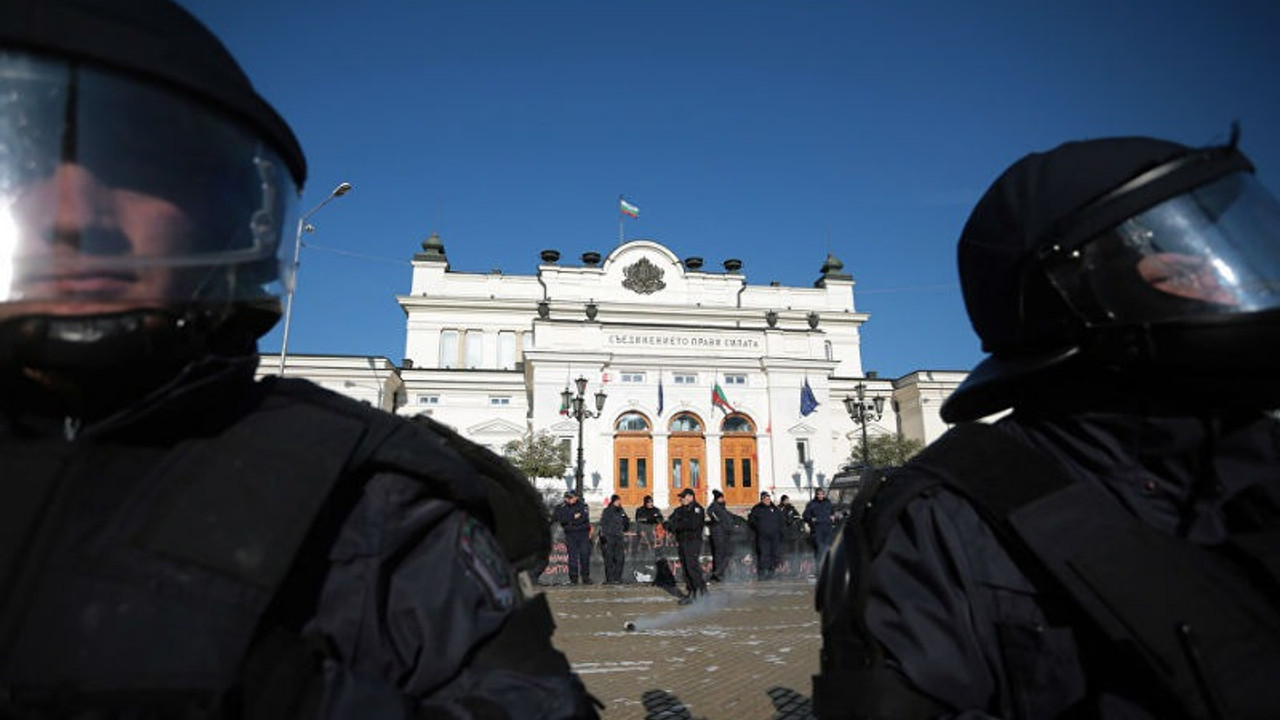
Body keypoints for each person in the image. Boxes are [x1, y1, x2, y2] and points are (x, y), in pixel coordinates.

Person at [0, 1, 600, 718]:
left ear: (225, 209)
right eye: (22, 157)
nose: (73, 213)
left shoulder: (363, 497)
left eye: (133, 162)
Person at [814, 132, 1280, 720]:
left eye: (1229, 257)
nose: (1227, 284)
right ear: (1077, 290)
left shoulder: (1258, 463)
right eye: (1182, 269)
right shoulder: (945, 519)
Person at [664, 488, 708, 604]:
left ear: (690, 497)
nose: (681, 499)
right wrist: (670, 525)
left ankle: (700, 591)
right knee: (685, 568)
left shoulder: (697, 509)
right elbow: (670, 521)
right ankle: (691, 592)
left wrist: (676, 525)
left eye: (683, 497)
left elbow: (692, 524)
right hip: (682, 541)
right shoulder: (680, 510)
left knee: (692, 566)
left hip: (693, 541)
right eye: (681, 497)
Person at [553, 491, 593, 584]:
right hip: (570, 534)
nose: (574, 499)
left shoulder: (583, 506)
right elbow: (559, 518)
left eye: (575, 498)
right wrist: (573, 517)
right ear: (567, 498)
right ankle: (573, 578)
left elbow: (583, 518)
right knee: (572, 557)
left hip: (583, 533)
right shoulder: (561, 507)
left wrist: (569, 520)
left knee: (585, 556)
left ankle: (585, 577)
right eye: (571, 498)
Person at [747, 491, 783, 580]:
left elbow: (781, 520)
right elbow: (751, 521)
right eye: (765, 499)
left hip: (775, 535)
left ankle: (772, 572)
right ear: (762, 500)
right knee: (764, 554)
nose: (767, 500)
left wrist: (780, 531)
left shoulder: (775, 508)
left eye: (768, 498)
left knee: (774, 554)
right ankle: (763, 573)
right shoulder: (757, 509)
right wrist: (759, 528)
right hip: (763, 536)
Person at [598, 494, 631, 584]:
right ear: (614, 501)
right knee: (609, 558)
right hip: (610, 537)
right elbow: (603, 523)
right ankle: (610, 578)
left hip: (619, 537)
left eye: (619, 501)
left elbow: (626, 522)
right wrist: (604, 535)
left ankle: (618, 578)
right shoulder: (607, 511)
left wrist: (626, 523)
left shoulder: (621, 511)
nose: (619, 502)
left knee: (620, 558)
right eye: (618, 501)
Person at [706, 488, 736, 582]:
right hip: (718, 534)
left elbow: (728, 517)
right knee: (719, 554)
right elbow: (710, 512)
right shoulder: (714, 507)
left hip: (726, 533)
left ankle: (720, 573)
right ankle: (717, 575)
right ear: (717, 499)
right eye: (720, 498)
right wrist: (718, 521)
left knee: (726, 554)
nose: (722, 499)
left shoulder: (723, 508)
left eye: (722, 498)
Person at [802, 487, 836, 563]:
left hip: (827, 528)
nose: (820, 496)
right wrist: (811, 519)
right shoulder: (812, 504)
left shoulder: (828, 502)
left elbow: (832, 512)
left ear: (824, 494)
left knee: (827, 547)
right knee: (819, 548)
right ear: (816, 495)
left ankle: (827, 565)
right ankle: (819, 566)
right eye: (819, 494)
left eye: (822, 494)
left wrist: (833, 516)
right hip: (817, 529)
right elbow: (805, 516)